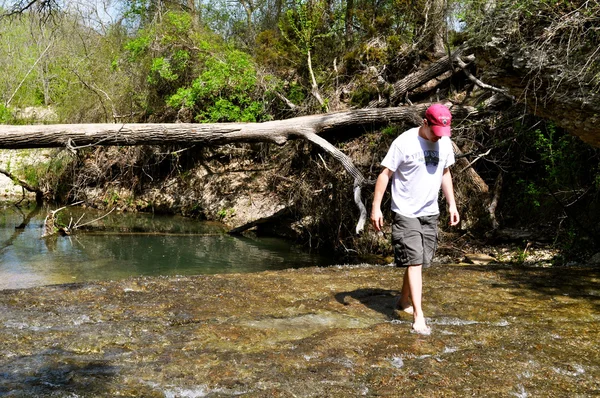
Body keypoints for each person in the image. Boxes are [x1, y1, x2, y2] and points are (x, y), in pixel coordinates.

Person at [370, 103, 460, 335]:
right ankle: (419, 316)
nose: (438, 138)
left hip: (430, 212)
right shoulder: (404, 143)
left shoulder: (445, 142)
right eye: (435, 132)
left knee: (419, 261)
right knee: (415, 261)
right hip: (405, 211)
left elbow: (445, 173)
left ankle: (402, 300)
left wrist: (451, 204)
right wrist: (376, 208)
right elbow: (385, 174)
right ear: (425, 122)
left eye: (443, 134)